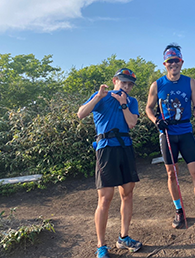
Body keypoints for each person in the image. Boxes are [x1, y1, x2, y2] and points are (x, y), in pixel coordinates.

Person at [145, 43, 195, 230]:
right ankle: (179, 211)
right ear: (165, 63)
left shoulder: (190, 82)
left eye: (176, 60)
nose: (173, 64)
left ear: (181, 62)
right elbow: (148, 108)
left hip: (185, 131)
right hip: (167, 133)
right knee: (172, 173)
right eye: (170, 61)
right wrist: (156, 120)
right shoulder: (157, 84)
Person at [77, 68, 142, 258]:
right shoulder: (101, 97)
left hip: (125, 148)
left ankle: (124, 237)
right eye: (123, 82)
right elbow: (81, 114)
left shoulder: (132, 101)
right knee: (105, 198)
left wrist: (124, 104)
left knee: (127, 194)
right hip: (105, 149)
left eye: (130, 84)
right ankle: (101, 246)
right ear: (115, 81)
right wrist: (97, 97)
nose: (127, 86)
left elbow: (132, 123)